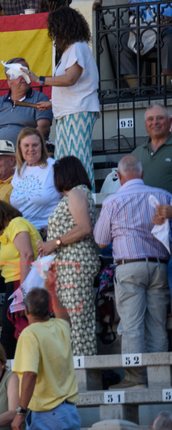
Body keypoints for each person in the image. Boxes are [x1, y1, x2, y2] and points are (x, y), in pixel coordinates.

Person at [95, 155, 170, 388]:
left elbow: (100, 239)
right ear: (142, 174)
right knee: (157, 325)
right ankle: (160, 379)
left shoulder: (113, 202)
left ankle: (135, 378)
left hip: (129, 266)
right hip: (160, 265)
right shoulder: (164, 196)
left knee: (131, 326)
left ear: (118, 176)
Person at [34, 157, 97, 357]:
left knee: (78, 322)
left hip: (75, 263)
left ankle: (84, 372)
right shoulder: (77, 194)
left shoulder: (76, 193)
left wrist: (55, 242)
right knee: (70, 320)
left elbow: (84, 227)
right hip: (69, 264)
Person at [31, 7, 99, 177]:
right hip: (68, 111)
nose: (53, 34)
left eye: (55, 28)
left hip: (78, 111)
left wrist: (40, 79)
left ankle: (84, 197)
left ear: (63, 27)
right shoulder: (71, 50)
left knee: (78, 159)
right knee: (64, 161)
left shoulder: (77, 47)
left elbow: (70, 79)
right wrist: (52, 103)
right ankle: (69, 198)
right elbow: (76, 86)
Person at [11, 283, 78, 430]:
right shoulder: (61, 326)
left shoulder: (30, 333)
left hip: (47, 416)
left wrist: (20, 412)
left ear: (26, 309)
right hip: (70, 412)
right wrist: (53, 291)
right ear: (49, 308)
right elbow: (66, 318)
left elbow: (30, 375)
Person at [0, 199, 41, 356]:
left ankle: (7, 378)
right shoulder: (7, 232)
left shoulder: (16, 223)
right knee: (11, 333)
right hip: (14, 284)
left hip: (19, 283)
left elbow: (27, 254)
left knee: (9, 335)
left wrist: (23, 290)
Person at [0, 60, 53, 165]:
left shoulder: (40, 99)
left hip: (25, 156)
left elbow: (43, 128)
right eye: (19, 74)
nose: (24, 76)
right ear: (9, 78)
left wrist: (24, 149)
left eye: (26, 72)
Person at [137, 0, 172, 76]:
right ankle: (134, 88)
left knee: (168, 39)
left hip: (169, 34)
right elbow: (139, 14)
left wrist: (170, 20)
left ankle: (166, 86)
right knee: (121, 43)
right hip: (150, 35)